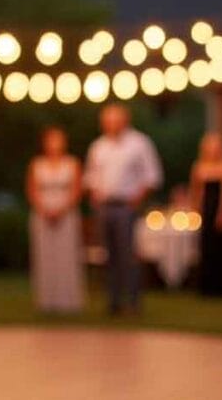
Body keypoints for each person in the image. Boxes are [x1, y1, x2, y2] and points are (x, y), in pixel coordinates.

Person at [84, 103, 163, 316]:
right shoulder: (98, 146)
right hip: (104, 207)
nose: (110, 125)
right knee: (108, 256)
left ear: (125, 121)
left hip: (126, 207)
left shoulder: (139, 144)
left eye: (114, 121)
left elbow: (152, 176)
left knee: (128, 255)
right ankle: (113, 301)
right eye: (107, 122)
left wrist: (136, 199)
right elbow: (91, 176)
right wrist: (95, 195)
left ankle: (134, 301)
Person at [27, 126, 85, 313]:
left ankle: (68, 300)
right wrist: (44, 209)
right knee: (45, 255)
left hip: (66, 213)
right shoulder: (36, 164)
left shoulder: (72, 163)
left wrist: (62, 210)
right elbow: (32, 189)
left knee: (66, 255)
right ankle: (46, 299)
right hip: (42, 213)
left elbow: (77, 189)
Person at [189, 131, 222, 296]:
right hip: (206, 210)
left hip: (220, 209)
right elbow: (196, 192)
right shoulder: (199, 166)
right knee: (207, 247)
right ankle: (207, 287)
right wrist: (196, 211)